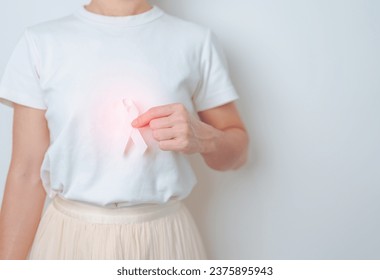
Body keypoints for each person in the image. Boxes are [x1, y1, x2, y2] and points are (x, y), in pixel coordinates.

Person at [0, 0, 248, 260]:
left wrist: (205, 139)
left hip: (164, 242)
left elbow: (239, 153)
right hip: (68, 241)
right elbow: (26, 174)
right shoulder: (40, 43)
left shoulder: (196, 41)